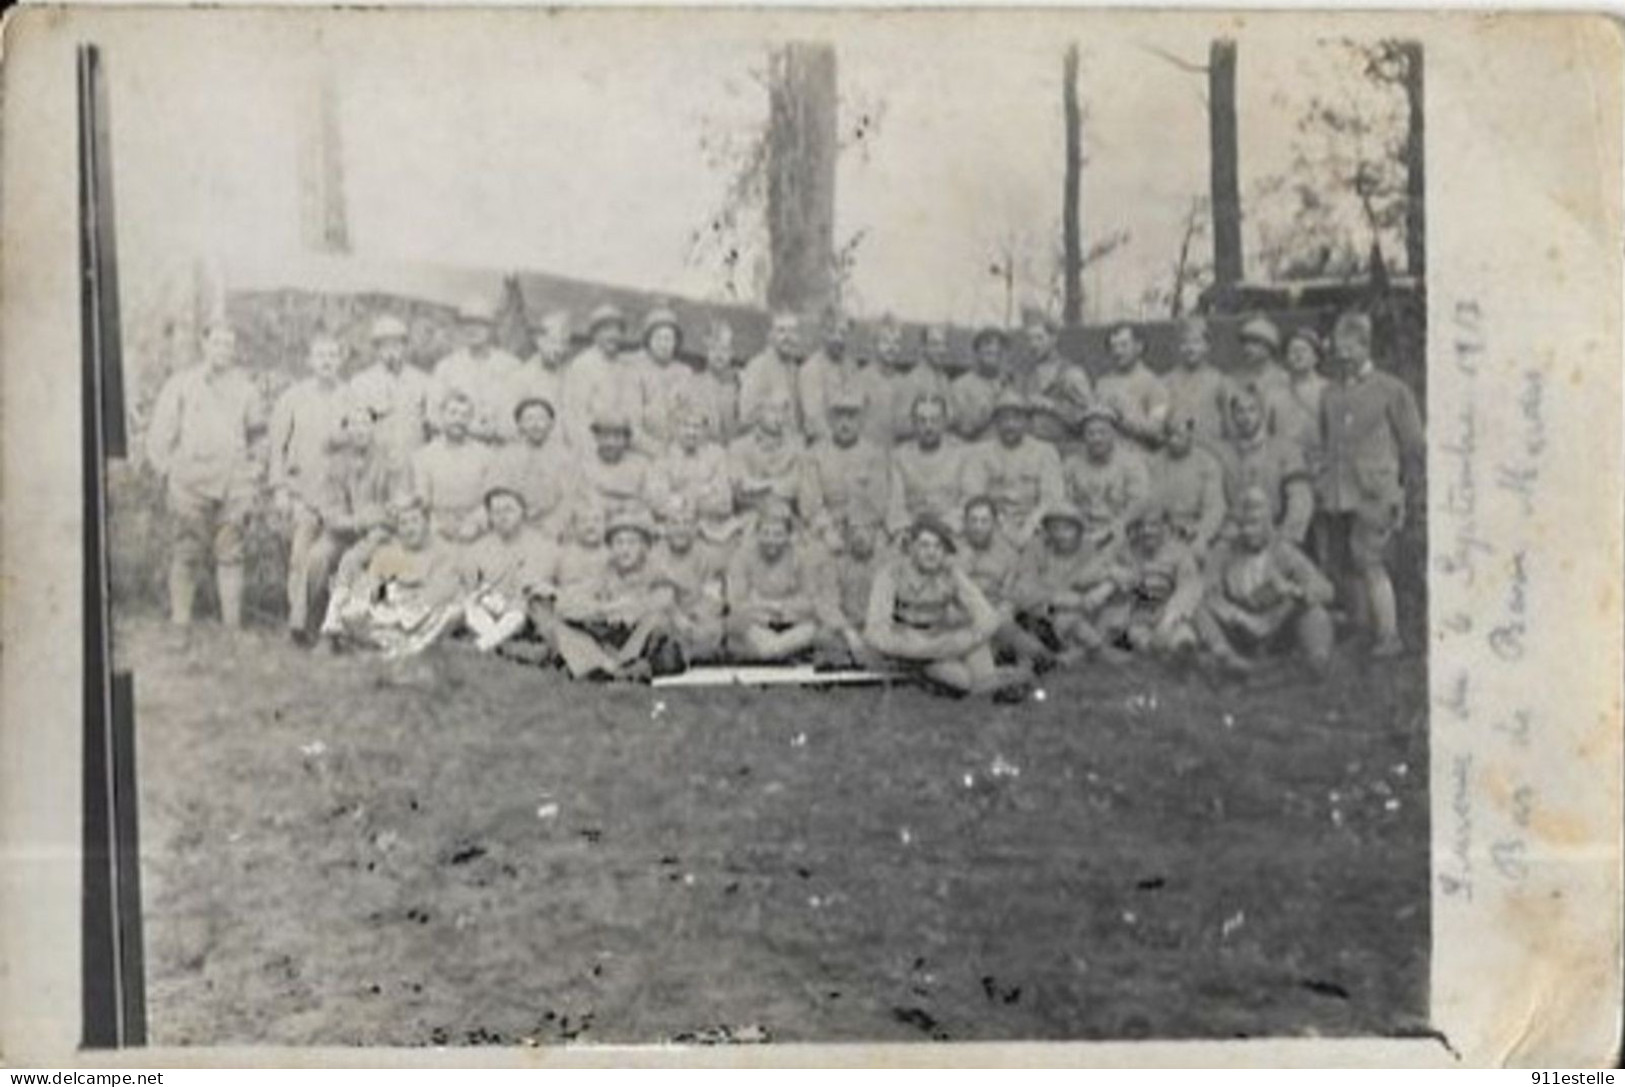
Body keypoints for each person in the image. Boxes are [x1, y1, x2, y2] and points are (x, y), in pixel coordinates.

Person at [1315, 308, 1425, 658]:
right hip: (1338, 492)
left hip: (1376, 492)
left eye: (1350, 347)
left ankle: (1390, 636)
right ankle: (1363, 629)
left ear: (1365, 346)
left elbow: (1414, 446)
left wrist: (1403, 492)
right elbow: (1326, 441)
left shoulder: (1391, 390)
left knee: (1371, 561)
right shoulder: (1330, 393)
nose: (1342, 354)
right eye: (1338, 347)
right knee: (1347, 562)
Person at [145, 322, 263, 629]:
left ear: (235, 350)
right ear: (204, 345)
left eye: (229, 345)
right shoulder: (181, 385)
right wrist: (170, 472)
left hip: (233, 485)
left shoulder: (245, 388)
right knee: (186, 551)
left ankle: (231, 628)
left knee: (231, 553)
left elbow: (258, 436)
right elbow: (160, 435)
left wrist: (253, 472)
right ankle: (180, 622)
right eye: (217, 343)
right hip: (190, 486)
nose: (223, 350)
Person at [864, 516, 1029, 697]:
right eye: (924, 545)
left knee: (978, 651)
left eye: (938, 547)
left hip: (942, 640)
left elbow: (986, 616)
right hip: (908, 647)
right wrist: (932, 648)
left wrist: (968, 638)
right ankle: (1004, 681)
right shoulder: (891, 575)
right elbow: (876, 633)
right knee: (963, 681)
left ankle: (996, 683)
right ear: (911, 548)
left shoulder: (950, 572)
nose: (931, 553)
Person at [288, 407, 410, 646]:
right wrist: (360, 521)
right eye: (354, 425)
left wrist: (377, 523)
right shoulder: (336, 464)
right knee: (317, 557)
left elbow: (396, 507)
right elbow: (331, 513)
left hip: (380, 534)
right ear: (346, 430)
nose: (360, 430)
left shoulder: (390, 460)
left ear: (374, 427)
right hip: (343, 532)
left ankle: (343, 632)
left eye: (365, 424)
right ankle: (310, 624)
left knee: (353, 560)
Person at [1196, 487, 1336, 675]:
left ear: (1268, 523)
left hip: (1276, 624)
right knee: (1200, 610)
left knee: (1315, 613)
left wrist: (1294, 591)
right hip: (1239, 625)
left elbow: (1325, 588)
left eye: (1255, 524)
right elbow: (1208, 591)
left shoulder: (1283, 551)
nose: (1248, 531)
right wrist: (1238, 616)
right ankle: (1229, 659)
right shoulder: (1224, 552)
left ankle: (1315, 661)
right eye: (1243, 525)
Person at [268, 335, 354, 640]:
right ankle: (299, 624)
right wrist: (279, 489)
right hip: (302, 491)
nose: (327, 361)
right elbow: (277, 447)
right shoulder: (292, 398)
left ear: (341, 359)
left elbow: (362, 440)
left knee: (330, 558)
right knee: (300, 556)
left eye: (333, 355)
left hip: (340, 496)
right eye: (320, 355)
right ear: (309, 360)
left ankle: (328, 622)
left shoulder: (352, 396)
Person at [320, 495, 464, 659]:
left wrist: (409, 597)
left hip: (421, 612)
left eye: (414, 521)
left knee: (453, 612)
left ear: (426, 523)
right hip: (389, 613)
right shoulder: (389, 551)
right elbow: (373, 586)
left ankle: (398, 646)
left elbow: (442, 591)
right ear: (398, 528)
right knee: (352, 609)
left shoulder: (443, 552)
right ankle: (395, 645)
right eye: (404, 523)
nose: (410, 528)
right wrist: (386, 596)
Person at [552, 510, 678, 680]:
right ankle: (604, 665)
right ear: (610, 548)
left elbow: (663, 601)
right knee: (563, 626)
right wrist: (605, 610)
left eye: (632, 542)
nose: (624, 549)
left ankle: (619, 667)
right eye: (618, 543)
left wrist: (633, 608)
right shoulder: (604, 572)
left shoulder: (657, 572)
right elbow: (566, 604)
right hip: (610, 640)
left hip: (644, 642)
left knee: (657, 621)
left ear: (644, 547)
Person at [724, 498, 853, 662]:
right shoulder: (741, 556)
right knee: (736, 628)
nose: (771, 540)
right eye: (766, 533)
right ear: (757, 533)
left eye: (778, 534)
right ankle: (778, 651)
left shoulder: (801, 557)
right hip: (756, 626)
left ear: (789, 535)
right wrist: (775, 608)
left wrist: (769, 604)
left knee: (816, 630)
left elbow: (809, 601)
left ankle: (773, 651)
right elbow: (737, 603)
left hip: (794, 625)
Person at [1090, 501, 1204, 659]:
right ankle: (1152, 647)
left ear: (1166, 526)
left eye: (1153, 526)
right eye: (1142, 526)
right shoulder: (1129, 548)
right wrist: (1113, 572)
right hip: (1137, 612)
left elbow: (1188, 587)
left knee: (1181, 635)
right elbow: (1100, 564)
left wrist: (1169, 617)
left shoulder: (1180, 552)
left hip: (1168, 608)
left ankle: (1180, 648)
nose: (1147, 531)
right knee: (1137, 635)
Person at [458, 487, 561, 654]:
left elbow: (537, 585)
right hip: (491, 606)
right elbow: (470, 587)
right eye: (496, 511)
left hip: (524, 610)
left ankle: (481, 646)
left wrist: (519, 599)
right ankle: (501, 646)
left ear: (522, 511)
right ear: (489, 516)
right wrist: (481, 595)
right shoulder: (479, 547)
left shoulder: (542, 544)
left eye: (508, 509)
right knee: (471, 608)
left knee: (517, 615)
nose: (502, 516)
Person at [960, 388, 1066, 548]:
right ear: (995, 422)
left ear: (1027, 421)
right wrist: (1001, 525)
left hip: (1035, 527)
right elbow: (973, 495)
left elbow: (1052, 498)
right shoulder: (980, 453)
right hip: (992, 526)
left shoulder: (1045, 451)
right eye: (1004, 419)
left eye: (1016, 418)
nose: (1010, 425)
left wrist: (1030, 524)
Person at [1008, 505, 1112, 662]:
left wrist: (1104, 586)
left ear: (1079, 530)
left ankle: (1080, 652)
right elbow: (1022, 590)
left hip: (1080, 614)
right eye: (1055, 528)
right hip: (1041, 616)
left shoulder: (1088, 549)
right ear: (1048, 531)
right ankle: (1094, 648)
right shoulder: (1037, 547)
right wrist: (1059, 598)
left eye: (1068, 528)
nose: (1061, 535)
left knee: (1107, 607)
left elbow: (1112, 573)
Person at [1215, 382, 1314, 546]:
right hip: (1234, 536)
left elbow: (1301, 500)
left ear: (1262, 413)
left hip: (1275, 534)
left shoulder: (1285, 450)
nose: (1246, 417)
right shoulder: (1224, 453)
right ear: (1232, 415)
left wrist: (1286, 539)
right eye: (1239, 411)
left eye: (1252, 410)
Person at [959, 495, 1051, 667]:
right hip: (963, 615)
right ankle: (1035, 655)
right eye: (974, 521)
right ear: (965, 522)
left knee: (1004, 619)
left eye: (984, 521)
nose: (978, 527)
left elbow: (1013, 585)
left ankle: (1031, 656)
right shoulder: (954, 551)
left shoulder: (1006, 552)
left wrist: (1008, 604)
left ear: (994, 523)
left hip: (997, 612)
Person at [799, 387, 893, 553]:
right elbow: (810, 504)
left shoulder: (874, 454)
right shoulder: (815, 454)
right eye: (838, 416)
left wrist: (859, 527)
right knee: (814, 553)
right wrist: (827, 530)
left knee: (879, 551)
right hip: (825, 526)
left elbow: (879, 502)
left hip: (865, 525)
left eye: (851, 416)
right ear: (829, 420)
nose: (845, 423)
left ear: (862, 420)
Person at [408, 388, 494, 545]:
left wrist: (476, 523)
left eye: (464, 415)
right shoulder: (423, 456)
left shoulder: (486, 455)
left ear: (470, 419)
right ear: (442, 416)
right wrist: (437, 528)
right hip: (437, 532)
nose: (458, 420)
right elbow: (423, 501)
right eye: (453, 413)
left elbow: (490, 500)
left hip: (477, 532)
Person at [431, 296, 522, 441]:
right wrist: (462, 429)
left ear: (492, 327)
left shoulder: (511, 366)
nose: (473, 329)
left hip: (498, 448)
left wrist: (496, 431)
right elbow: (433, 416)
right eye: (467, 323)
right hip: (458, 448)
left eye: (481, 323)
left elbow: (520, 413)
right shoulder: (446, 367)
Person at [649, 406, 739, 548]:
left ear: (705, 430)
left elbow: (725, 501)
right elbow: (657, 501)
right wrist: (703, 492)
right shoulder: (664, 456)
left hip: (711, 527)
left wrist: (681, 498)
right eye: (685, 426)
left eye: (697, 427)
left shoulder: (717, 455)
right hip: (672, 527)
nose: (691, 432)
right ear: (676, 428)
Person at [1062, 403, 1151, 548]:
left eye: (1102, 432)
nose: (1097, 439)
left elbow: (1138, 506)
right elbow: (1065, 503)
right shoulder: (1071, 465)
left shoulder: (1132, 464)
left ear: (1114, 434)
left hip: (1122, 535)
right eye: (1090, 433)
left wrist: (1111, 531)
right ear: (1083, 436)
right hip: (1080, 535)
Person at [348, 314, 432, 466]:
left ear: (405, 346)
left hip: (412, 460)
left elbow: (430, 426)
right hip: (375, 464)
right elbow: (354, 428)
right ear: (376, 349)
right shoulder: (361, 382)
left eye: (396, 344)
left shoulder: (422, 381)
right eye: (384, 345)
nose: (391, 350)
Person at [651, 497, 727, 664]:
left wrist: (694, 618)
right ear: (665, 528)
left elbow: (714, 598)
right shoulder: (654, 556)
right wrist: (677, 617)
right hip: (667, 617)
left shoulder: (708, 556)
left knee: (714, 629)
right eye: (675, 523)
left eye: (687, 523)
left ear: (695, 527)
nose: (681, 529)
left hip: (696, 619)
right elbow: (656, 597)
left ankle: (687, 654)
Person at [485, 397, 571, 538]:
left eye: (541, 419)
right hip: (514, 525)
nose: (536, 425)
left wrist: (555, 523)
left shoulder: (564, 458)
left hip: (552, 526)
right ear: (519, 424)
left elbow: (569, 498)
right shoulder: (505, 456)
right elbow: (497, 495)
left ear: (551, 423)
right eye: (529, 419)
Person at [886, 394, 969, 538]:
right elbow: (895, 503)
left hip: (952, 534)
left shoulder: (961, 454)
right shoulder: (899, 457)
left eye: (934, 420)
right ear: (913, 423)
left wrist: (947, 526)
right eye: (922, 421)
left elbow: (968, 499)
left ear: (944, 422)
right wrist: (904, 529)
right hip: (912, 533)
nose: (928, 427)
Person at [560, 303, 639, 451]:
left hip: (622, 445)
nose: (613, 335)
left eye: (617, 330)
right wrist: (587, 450)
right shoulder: (583, 365)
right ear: (595, 335)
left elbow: (633, 412)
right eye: (606, 330)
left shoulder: (626, 366)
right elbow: (575, 415)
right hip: (592, 444)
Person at [1151, 407, 1228, 557]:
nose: (1173, 440)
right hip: (1162, 530)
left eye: (1179, 435)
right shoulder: (1155, 462)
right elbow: (1147, 503)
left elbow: (1214, 509)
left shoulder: (1207, 463)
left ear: (1190, 434)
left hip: (1195, 529)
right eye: (1169, 435)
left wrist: (1201, 535)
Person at [1015, 306, 1092, 447]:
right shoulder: (1025, 376)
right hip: (1031, 450)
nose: (1034, 345)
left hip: (1063, 449)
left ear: (1053, 339)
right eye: (1030, 339)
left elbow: (1088, 417)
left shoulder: (1072, 373)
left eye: (1039, 338)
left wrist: (1052, 406)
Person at [798, 311, 878, 445]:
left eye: (843, 333)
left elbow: (861, 406)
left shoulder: (850, 365)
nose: (839, 339)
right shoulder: (811, 369)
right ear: (823, 333)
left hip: (850, 443)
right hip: (823, 446)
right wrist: (839, 448)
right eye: (832, 332)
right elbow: (815, 419)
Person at [1095, 321, 1171, 451]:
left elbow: (1157, 431)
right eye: (1113, 347)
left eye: (1124, 345)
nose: (1118, 351)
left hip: (1137, 458)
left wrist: (1123, 418)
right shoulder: (1102, 383)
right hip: (1104, 460)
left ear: (1139, 347)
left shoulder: (1153, 383)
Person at [633, 306, 701, 452]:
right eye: (658, 338)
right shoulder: (636, 371)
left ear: (676, 343)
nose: (663, 344)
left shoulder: (685, 373)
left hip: (679, 450)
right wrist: (656, 450)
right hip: (644, 451)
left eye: (668, 339)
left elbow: (693, 415)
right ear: (648, 340)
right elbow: (632, 425)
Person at [872, 315, 946, 446]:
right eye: (934, 344)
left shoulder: (943, 379)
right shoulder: (913, 380)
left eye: (943, 344)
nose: (940, 349)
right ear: (923, 348)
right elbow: (900, 425)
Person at [573, 411, 654, 527]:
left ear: (626, 439)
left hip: (632, 529)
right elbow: (582, 502)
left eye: (617, 437)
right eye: (605, 436)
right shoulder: (584, 465)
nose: (610, 443)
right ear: (596, 437)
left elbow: (651, 502)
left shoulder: (641, 465)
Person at [505, 309, 574, 441]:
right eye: (553, 341)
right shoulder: (521, 377)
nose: (559, 349)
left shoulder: (571, 376)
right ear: (540, 341)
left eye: (564, 343)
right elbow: (511, 424)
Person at [731, 396, 805, 517]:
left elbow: (796, 483)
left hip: (785, 513)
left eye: (784, 410)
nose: (779, 417)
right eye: (773, 410)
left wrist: (761, 486)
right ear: (758, 413)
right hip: (750, 513)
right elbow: (741, 485)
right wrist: (774, 485)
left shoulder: (797, 446)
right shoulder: (739, 446)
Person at [739, 311, 805, 438]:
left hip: (792, 445)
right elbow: (746, 418)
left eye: (792, 331)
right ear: (771, 336)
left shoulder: (795, 370)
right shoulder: (758, 367)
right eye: (781, 331)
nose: (788, 337)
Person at [1163, 317, 1228, 447]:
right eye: (1185, 343)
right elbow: (1159, 423)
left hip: (1210, 451)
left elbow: (1228, 424)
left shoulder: (1219, 380)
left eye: (1196, 342)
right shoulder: (1167, 381)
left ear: (1207, 346)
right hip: (1177, 451)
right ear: (1179, 347)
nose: (1190, 348)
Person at [1228, 315, 1295, 439]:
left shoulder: (1285, 379)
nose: (1247, 348)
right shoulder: (1235, 380)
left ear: (1269, 347)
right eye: (1245, 342)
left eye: (1255, 342)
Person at [1278, 325, 1329, 474]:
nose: (1298, 356)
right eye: (1292, 351)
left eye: (1303, 350)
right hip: (1287, 468)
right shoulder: (1274, 395)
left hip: (1323, 468)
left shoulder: (1329, 391)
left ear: (1316, 356)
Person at [948, 326, 1009, 442]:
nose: (993, 350)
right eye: (987, 350)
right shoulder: (960, 386)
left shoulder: (1007, 384)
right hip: (974, 450)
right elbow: (965, 428)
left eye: (997, 352)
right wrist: (995, 400)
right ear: (977, 353)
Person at [692, 319, 742, 447]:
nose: (719, 355)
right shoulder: (694, 383)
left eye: (724, 350)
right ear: (706, 352)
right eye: (713, 349)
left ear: (732, 353)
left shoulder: (741, 384)